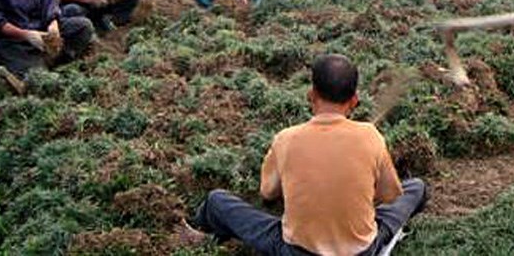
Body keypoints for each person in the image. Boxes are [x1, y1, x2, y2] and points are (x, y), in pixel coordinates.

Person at [181, 54, 428, 256]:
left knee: (217, 201)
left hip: (296, 251)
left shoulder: (287, 139)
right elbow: (390, 195)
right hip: (362, 251)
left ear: (311, 95)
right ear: (354, 100)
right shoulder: (370, 135)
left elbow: (268, 192)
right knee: (416, 188)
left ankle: (197, 230)